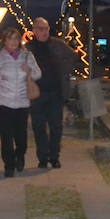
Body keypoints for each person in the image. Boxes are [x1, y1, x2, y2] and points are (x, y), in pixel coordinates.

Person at [0, 21, 40, 178]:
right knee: (6, 137)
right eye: (10, 38)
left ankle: (20, 155)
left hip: (22, 103)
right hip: (3, 103)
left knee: (21, 137)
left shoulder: (27, 56)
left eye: (16, 38)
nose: (13, 42)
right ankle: (9, 165)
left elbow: (38, 74)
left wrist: (30, 71)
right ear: (4, 41)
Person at [27, 16, 74, 169]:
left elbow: (72, 56)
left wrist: (64, 71)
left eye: (46, 28)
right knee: (38, 127)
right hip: (36, 94)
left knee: (56, 127)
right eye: (40, 29)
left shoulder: (58, 45)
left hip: (55, 92)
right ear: (34, 30)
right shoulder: (28, 48)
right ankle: (42, 157)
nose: (44, 32)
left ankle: (54, 157)